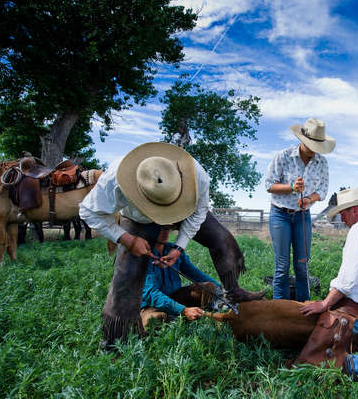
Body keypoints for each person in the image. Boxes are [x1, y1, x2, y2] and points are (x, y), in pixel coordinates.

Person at [79, 142, 265, 349]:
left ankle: (233, 291)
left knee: (222, 239)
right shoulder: (114, 179)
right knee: (126, 275)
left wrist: (179, 247)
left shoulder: (197, 176)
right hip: (138, 220)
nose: (165, 224)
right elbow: (89, 212)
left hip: (185, 210)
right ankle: (116, 339)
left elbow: (198, 214)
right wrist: (128, 239)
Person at [296, 187, 358, 368]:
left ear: (354, 210)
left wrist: (324, 304)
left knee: (315, 360)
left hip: (354, 311)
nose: (342, 219)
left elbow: (349, 279)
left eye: (343, 213)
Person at [265, 118, 335, 301]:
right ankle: (280, 308)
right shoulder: (283, 156)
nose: (313, 150)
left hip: (303, 216)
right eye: (311, 144)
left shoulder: (322, 163)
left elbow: (323, 190)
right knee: (282, 265)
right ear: (302, 140)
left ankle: (304, 308)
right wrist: (291, 188)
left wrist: (310, 199)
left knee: (302, 265)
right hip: (280, 214)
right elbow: (269, 185)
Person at [140, 228, 222, 328]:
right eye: (161, 228)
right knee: (152, 319)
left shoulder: (173, 250)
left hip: (175, 297)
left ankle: (177, 316)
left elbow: (196, 274)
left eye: (168, 227)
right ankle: (179, 316)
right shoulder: (144, 254)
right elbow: (150, 293)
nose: (166, 232)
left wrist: (224, 289)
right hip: (151, 305)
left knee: (209, 287)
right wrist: (183, 310)